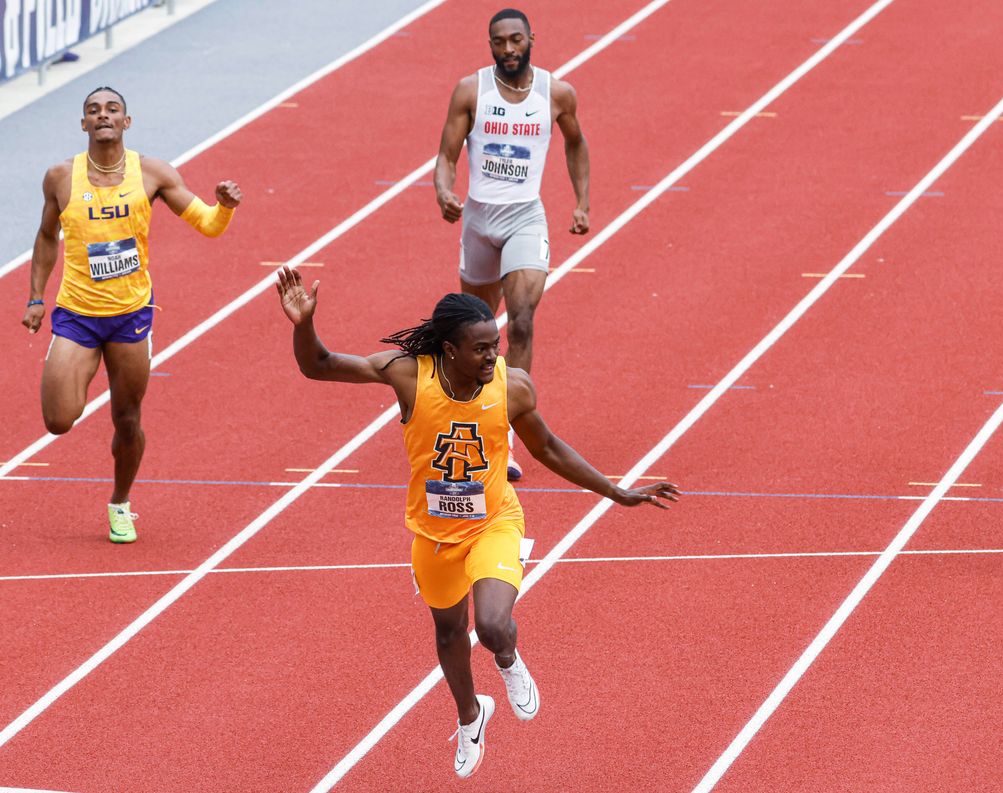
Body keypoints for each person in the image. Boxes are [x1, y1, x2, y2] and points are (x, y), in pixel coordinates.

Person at [274, 265, 678, 778]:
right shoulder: (407, 375)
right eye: (482, 348)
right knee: (448, 635)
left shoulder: (513, 387)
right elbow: (321, 366)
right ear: (449, 350)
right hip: (432, 533)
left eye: (496, 344)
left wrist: (615, 492)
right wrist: (302, 325)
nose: (494, 356)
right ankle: (471, 715)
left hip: (494, 522)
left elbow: (548, 448)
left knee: (489, 625)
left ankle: (508, 659)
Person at [21, 86, 242, 543]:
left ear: (127, 121)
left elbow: (207, 224)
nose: (103, 115)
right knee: (58, 420)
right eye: (93, 111)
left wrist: (224, 206)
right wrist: (35, 297)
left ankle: (120, 503)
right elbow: (46, 237)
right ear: (83, 124)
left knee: (127, 418)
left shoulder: (153, 174)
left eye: (112, 109)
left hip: (131, 316)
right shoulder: (61, 177)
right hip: (77, 314)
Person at [434, 7, 590, 480]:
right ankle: (461, 410)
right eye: (498, 42)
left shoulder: (556, 93)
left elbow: (576, 143)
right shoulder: (470, 90)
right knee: (472, 330)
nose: (507, 50)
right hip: (479, 219)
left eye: (515, 41)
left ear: (530, 40)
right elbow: (446, 154)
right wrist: (444, 189)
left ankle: (503, 432)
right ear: (490, 45)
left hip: (525, 216)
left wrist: (582, 202)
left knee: (520, 321)